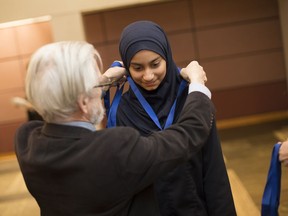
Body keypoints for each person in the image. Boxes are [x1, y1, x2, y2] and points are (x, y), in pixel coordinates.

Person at [14, 41, 214, 216]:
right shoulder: (115, 149)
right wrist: (197, 85)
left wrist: (104, 79)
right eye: (95, 83)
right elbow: (187, 134)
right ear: (83, 102)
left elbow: (60, 115)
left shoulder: (27, 141)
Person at [109, 20, 236, 215]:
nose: (148, 76)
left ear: (167, 56)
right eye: (138, 68)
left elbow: (214, 168)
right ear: (127, 66)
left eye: (155, 64)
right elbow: (122, 180)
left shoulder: (192, 97)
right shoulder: (123, 110)